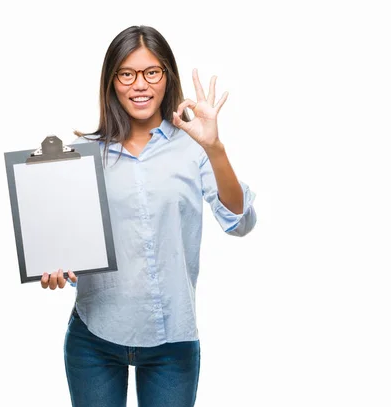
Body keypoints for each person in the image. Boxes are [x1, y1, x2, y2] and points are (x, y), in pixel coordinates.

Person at [39, 25, 257, 407]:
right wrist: (57, 262)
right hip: (95, 338)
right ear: (112, 82)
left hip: (172, 339)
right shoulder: (81, 156)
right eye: (127, 73)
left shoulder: (194, 146)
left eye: (151, 72)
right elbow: (66, 241)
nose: (140, 85)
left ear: (166, 77)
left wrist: (215, 149)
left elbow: (240, 222)